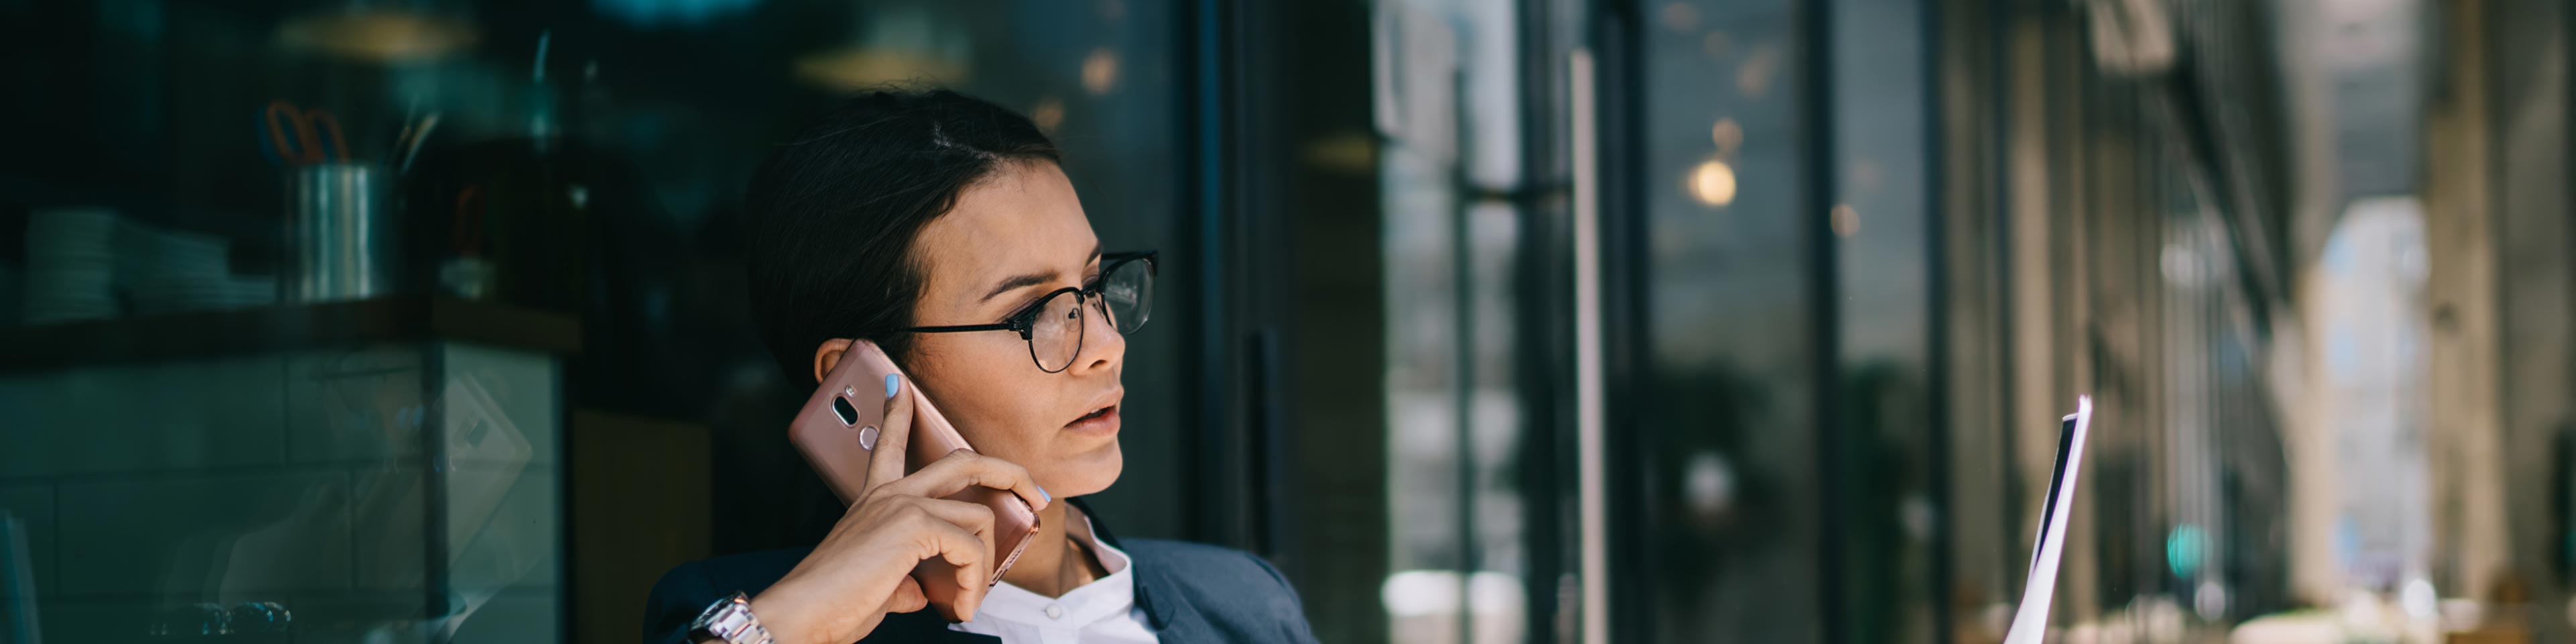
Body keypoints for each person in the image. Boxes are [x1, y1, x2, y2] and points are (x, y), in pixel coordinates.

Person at [643, 89, 1319, 644]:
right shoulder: (756, 616)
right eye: (1030, 313)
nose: (1106, 342)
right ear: (863, 375)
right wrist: (789, 621)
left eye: (1090, 286)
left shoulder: (1244, 607)